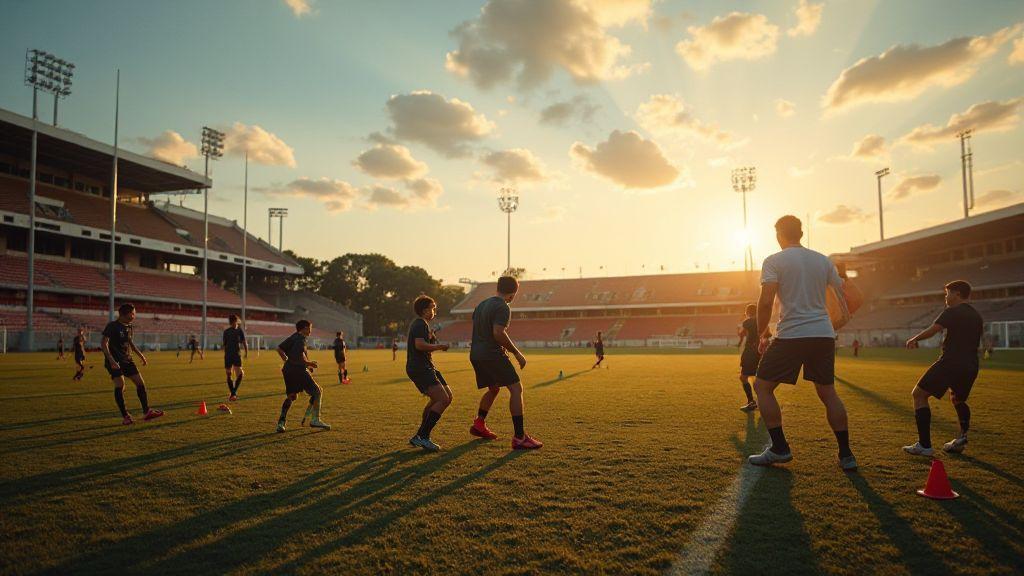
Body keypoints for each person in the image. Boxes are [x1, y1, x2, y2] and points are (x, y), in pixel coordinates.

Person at [747, 216, 856, 471]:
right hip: (822, 333)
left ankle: (780, 448)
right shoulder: (823, 260)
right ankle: (846, 454)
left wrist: (761, 334)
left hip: (793, 333)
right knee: (828, 393)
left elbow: (765, 302)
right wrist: (833, 323)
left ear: (778, 234)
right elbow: (843, 296)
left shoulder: (774, 260)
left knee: (762, 387)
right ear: (801, 232)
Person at [903, 280, 983, 456]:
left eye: (947, 293)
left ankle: (924, 445)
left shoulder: (952, 312)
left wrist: (915, 339)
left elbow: (934, 329)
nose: (945, 297)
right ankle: (962, 438)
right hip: (971, 364)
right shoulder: (976, 316)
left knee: (919, 394)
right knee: (958, 399)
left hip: (951, 362)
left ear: (957, 294)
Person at [469, 275, 542, 450]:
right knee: (516, 389)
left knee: (493, 388)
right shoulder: (503, 306)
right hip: (492, 354)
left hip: (476, 354)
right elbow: (498, 333)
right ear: (513, 294)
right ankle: (519, 437)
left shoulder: (481, 305)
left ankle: (479, 423)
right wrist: (517, 353)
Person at [101, 303, 164, 425]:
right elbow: (104, 343)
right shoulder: (112, 326)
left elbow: (130, 343)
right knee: (120, 385)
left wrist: (141, 355)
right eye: (134, 313)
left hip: (127, 360)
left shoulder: (129, 326)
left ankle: (147, 412)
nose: (135, 315)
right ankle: (125, 416)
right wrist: (111, 360)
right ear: (128, 313)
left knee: (140, 383)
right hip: (115, 361)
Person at [406, 295, 452, 451]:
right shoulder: (419, 324)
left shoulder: (422, 324)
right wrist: (439, 346)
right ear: (425, 310)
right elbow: (419, 345)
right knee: (443, 399)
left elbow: (424, 343)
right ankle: (423, 436)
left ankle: (419, 435)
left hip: (427, 366)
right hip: (420, 368)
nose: (434, 311)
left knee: (447, 396)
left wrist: (431, 338)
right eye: (433, 308)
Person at [276, 319, 330, 432]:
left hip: (288, 370)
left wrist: (287, 360)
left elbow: (279, 349)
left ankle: (281, 423)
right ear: (305, 328)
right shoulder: (301, 339)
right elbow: (298, 357)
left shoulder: (294, 336)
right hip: (298, 371)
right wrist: (309, 364)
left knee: (292, 396)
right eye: (310, 327)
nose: (311, 330)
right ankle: (315, 420)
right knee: (318, 391)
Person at [736, 304, 760, 412]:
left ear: (748, 312)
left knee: (743, 377)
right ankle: (762, 401)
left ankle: (751, 402)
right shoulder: (762, 320)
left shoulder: (747, 322)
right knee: (759, 377)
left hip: (750, 351)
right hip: (761, 351)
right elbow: (768, 334)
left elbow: (742, 334)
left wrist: (739, 340)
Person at [223, 315, 248, 401]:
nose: (234, 323)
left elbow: (244, 342)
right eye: (232, 322)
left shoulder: (238, 331)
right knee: (229, 374)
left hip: (233, 355)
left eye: (234, 321)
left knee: (240, 374)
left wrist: (246, 352)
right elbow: (225, 344)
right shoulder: (227, 332)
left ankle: (233, 393)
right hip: (231, 355)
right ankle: (233, 393)